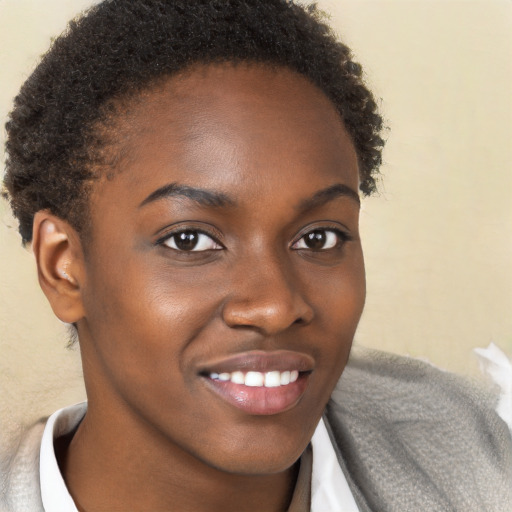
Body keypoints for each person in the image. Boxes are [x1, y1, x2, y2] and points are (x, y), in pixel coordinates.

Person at [1, 1, 510, 511]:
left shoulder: (484, 453)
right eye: (190, 241)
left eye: (319, 238)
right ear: (63, 266)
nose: (275, 305)